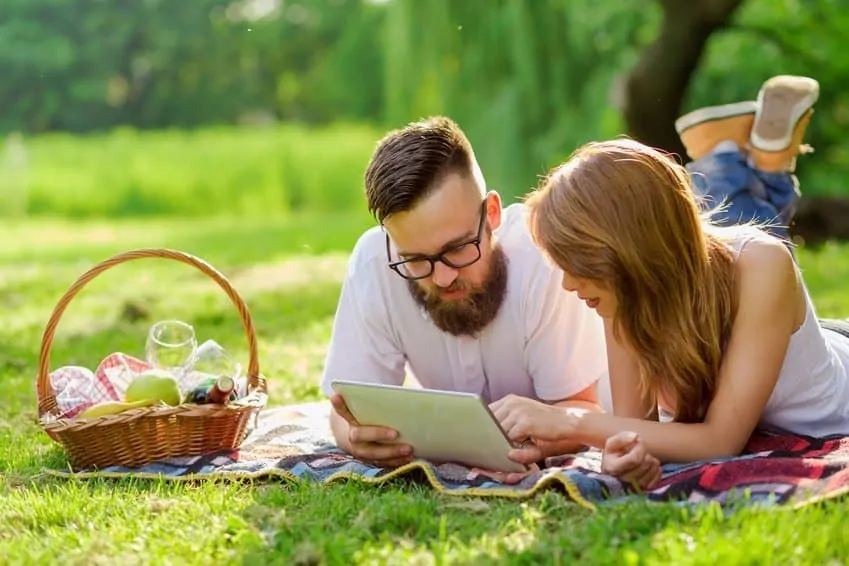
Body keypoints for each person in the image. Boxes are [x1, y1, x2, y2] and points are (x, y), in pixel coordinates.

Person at [490, 74, 849, 490]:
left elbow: (720, 440)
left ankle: (745, 164)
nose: (570, 285)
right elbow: (629, 430)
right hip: (761, 334)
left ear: (626, 254)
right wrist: (621, 455)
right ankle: (741, 162)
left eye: (580, 265)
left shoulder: (764, 266)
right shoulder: (621, 294)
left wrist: (570, 421)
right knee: (709, 229)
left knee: (750, 239)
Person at [320, 116, 610, 469]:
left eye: (457, 248)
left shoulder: (543, 258)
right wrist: (354, 436)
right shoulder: (374, 262)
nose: (442, 278)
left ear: (491, 214)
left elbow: (581, 408)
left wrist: (540, 442)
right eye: (416, 260)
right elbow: (346, 407)